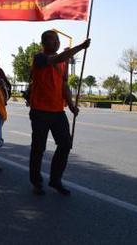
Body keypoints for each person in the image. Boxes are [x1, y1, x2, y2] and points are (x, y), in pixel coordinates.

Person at [28, 30, 90, 196]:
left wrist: (70, 104)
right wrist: (81, 47)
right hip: (40, 110)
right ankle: (36, 182)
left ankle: (55, 180)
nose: (56, 43)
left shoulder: (62, 63)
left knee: (65, 144)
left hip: (57, 111)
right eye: (52, 40)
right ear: (44, 43)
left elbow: (64, 85)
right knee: (38, 148)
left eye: (57, 40)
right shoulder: (39, 58)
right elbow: (59, 58)